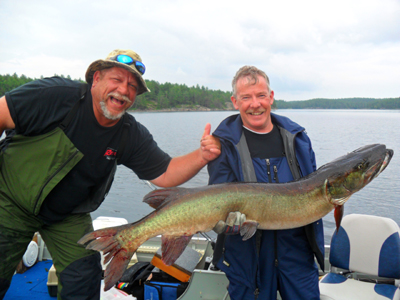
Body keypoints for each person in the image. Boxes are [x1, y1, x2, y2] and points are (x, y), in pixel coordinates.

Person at [0, 49, 221, 300]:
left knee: (84, 278)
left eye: (132, 86)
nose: (124, 90)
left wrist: (202, 156)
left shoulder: (129, 133)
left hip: (67, 216)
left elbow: (165, 173)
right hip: (10, 203)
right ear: (95, 79)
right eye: (116, 79)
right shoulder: (55, 96)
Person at [207, 66, 324, 300]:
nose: (255, 104)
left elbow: (313, 188)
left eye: (261, 95)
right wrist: (227, 222)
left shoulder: (298, 139)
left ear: (271, 97)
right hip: (248, 261)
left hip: (297, 256)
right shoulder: (224, 146)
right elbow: (218, 201)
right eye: (246, 97)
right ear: (234, 102)